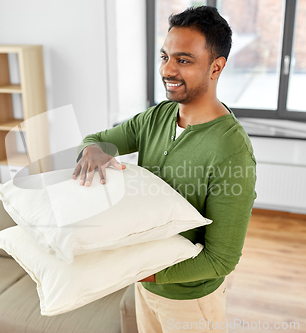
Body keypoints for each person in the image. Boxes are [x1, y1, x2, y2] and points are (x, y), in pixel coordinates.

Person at [72, 6, 256, 333]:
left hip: (190, 301)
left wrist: (149, 272)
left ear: (216, 67)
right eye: (164, 56)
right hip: (145, 286)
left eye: (183, 60)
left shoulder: (231, 150)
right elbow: (97, 139)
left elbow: (222, 259)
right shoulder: (158, 116)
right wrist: (91, 151)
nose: (167, 70)